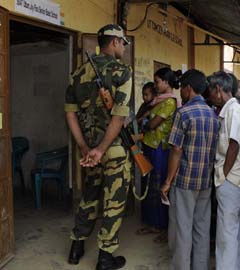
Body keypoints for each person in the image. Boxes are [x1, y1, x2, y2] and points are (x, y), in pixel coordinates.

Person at [64, 24, 132, 270]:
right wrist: (102, 149)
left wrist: (84, 146)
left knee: (89, 197)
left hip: (89, 150)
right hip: (110, 150)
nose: (123, 47)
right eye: (122, 42)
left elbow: (70, 114)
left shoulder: (77, 74)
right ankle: (105, 257)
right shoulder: (122, 71)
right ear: (114, 42)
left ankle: (76, 246)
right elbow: (119, 116)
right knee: (113, 202)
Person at [160, 69, 219, 270]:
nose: (181, 93)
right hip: (205, 181)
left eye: (182, 88)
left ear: (188, 88)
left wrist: (167, 181)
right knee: (201, 229)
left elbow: (176, 149)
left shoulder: (183, 113)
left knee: (182, 229)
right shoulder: (213, 115)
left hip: (184, 181)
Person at [206, 71, 240, 270]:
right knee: (233, 231)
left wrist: (223, 174)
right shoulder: (232, 110)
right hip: (234, 179)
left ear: (218, 90)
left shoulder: (234, 110)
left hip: (230, 179)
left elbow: (234, 144)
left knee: (226, 234)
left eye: (210, 91)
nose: (209, 96)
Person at [136, 67, 181, 243]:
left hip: (160, 150)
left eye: (157, 82)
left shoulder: (169, 102)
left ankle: (160, 225)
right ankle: (151, 221)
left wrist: (144, 123)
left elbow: (153, 124)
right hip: (150, 146)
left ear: (166, 82)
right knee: (149, 185)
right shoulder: (157, 101)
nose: (155, 86)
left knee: (158, 185)